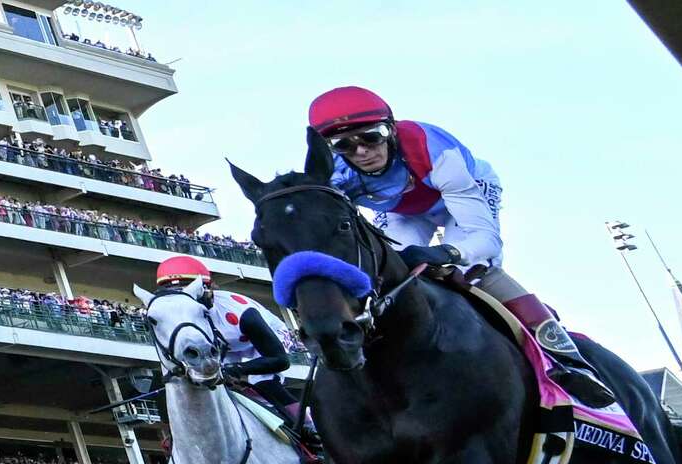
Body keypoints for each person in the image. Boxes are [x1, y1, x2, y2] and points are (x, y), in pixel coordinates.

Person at [308, 86, 615, 408]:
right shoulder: (336, 174)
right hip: (403, 210)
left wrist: (448, 253)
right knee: (394, 272)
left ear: (392, 130)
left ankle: (570, 360)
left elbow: (483, 240)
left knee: (475, 269)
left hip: (461, 193)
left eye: (372, 136)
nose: (361, 152)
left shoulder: (434, 149)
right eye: (343, 145)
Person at [154, 255, 309, 432]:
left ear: (208, 288)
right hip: (226, 345)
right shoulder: (183, 319)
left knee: (263, 382)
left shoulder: (242, 313)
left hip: (264, 340)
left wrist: (238, 369)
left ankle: (306, 425)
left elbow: (280, 360)